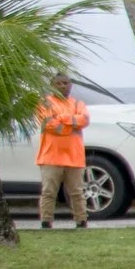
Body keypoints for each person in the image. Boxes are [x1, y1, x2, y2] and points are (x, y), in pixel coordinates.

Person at [34, 72, 89, 229]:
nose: (64, 86)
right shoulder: (45, 103)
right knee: (49, 192)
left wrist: (63, 119)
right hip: (51, 156)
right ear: (52, 85)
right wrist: (71, 122)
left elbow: (84, 119)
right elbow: (50, 125)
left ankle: (81, 220)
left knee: (77, 192)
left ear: (71, 85)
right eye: (60, 83)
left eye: (66, 83)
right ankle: (46, 221)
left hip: (74, 156)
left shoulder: (78, 103)